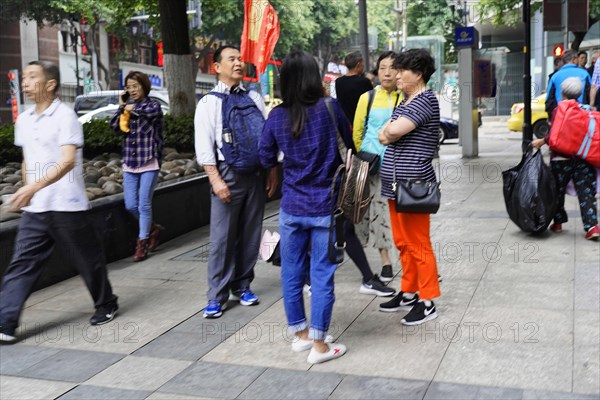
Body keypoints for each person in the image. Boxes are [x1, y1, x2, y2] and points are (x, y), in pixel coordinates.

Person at [0, 61, 118, 343]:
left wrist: (34, 187)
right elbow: (28, 158)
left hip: (67, 204)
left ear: (51, 84)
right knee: (22, 264)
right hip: (36, 208)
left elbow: (67, 161)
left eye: (32, 77)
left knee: (87, 260)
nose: (25, 82)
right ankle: (5, 321)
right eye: (24, 77)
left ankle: (106, 303)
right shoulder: (25, 119)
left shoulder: (65, 116)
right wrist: (28, 190)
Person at [259, 51, 348, 364]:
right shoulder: (329, 108)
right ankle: (320, 346)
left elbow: (265, 155)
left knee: (292, 272)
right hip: (324, 206)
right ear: (314, 77)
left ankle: (300, 335)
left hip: (291, 206)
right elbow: (351, 144)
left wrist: (277, 170)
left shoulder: (276, 117)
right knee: (322, 275)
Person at [194, 46, 277, 319]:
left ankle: (242, 285)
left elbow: (268, 136)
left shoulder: (254, 97)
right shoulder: (209, 102)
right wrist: (215, 179)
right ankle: (216, 296)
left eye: (240, 59)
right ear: (216, 67)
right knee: (222, 239)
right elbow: (204, 144)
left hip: (255, 174)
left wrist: (272, 170)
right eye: (232, 59)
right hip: (226, 174)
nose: (239, 63)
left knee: (251, 235)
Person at [377, 49, 442, 326]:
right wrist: (387, 132)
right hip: (395, 182)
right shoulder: (406, 100)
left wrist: (387, 132)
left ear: (418, 74)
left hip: (413, 183)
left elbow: (389, 132)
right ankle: (408, 291)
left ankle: (427, 301)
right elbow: (386, 132)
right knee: (403, 242)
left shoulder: (424, 100)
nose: (396, 75)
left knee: (418, 243)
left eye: (402, 70)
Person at [353, 51, 402, 284]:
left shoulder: (405, 97)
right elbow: (357, 132)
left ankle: (410, 258)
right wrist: (367, 155)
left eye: (392, 67)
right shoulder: (368, 98)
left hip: (400, 167)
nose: (387, 72)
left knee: (402, 215)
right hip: (375, 167)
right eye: (382, 67)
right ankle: (385, 261)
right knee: (380, 214)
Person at [532, 77, 599, 240]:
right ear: (580, 93)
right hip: (583, 158)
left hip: (561, 159)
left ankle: (558, 223)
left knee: (556, 191)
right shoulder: (588, 109)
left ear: (562, 94)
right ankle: (592, 227)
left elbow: (556, 134)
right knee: (586, 193)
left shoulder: (559, 110)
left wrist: (541, 142)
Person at [110, 71, 164, 262]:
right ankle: (153, 229)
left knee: (143, 204)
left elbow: (149, 114)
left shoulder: (153, 105)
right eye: (128, 87)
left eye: (135, 86)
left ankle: (142, 243)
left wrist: (130, 108)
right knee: (130, 205)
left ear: (144, 86)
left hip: (149, 160)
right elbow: (115, 127)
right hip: (130, 162)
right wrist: (122, 107)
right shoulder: (126, 107)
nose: (132, 90)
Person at [546, 50, 591, 118]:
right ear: (574, 60)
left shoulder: (555, 76)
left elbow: (549, 98)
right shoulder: (584, 74)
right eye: (577, 58)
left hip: (560, 114)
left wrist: (550, 117)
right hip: (580, 114)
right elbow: (590, 93)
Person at [335, 51, 373, 125]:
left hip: (345, 123)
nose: (363, 66)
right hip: (361, 122)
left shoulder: (338, 82)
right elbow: (372, 100)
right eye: (362, 63)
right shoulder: (364, 82)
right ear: (358, 64)